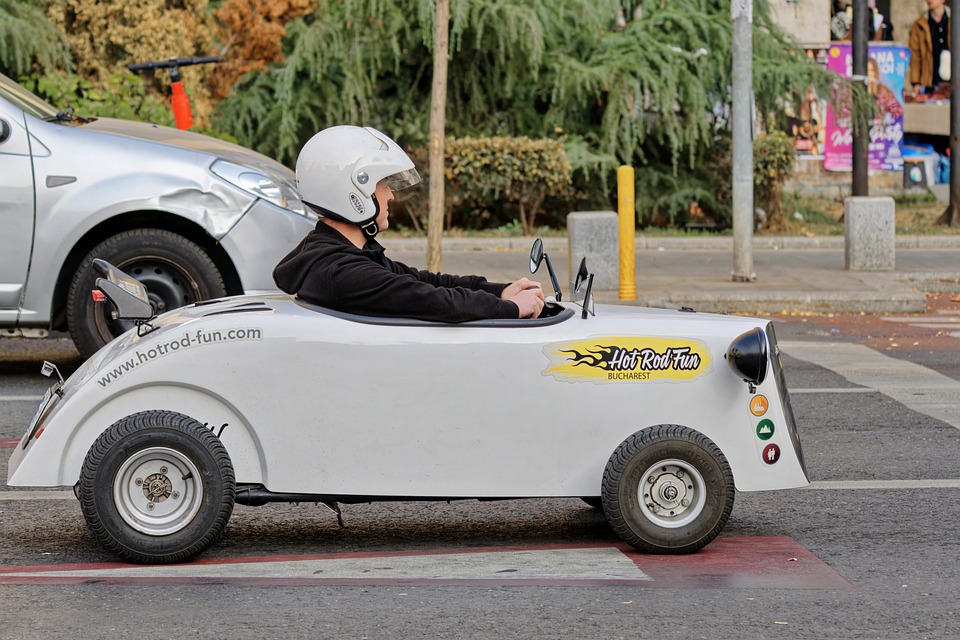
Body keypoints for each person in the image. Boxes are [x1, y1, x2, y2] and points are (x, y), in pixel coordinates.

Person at [273, 125, 546, 321]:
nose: (391, 194)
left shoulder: (337, 255)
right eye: (383, 184)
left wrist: (500, 291)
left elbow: (422, 280)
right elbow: (433, 300)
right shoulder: (340, 272)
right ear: (354, 191)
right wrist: (510, 308)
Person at [909, 0, 951, 96]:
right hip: (930, 81)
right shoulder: (919, 25)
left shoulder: (953, 20)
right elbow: (915, 56)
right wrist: (916, 82)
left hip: (951, 82)